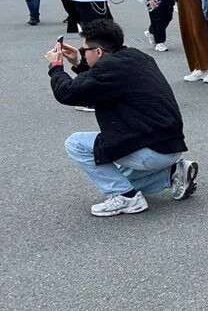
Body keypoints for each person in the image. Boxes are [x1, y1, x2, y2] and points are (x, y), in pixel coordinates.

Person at [46, 19, 199, 217]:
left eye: (85, 51)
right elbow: (98, 85)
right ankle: (172, 174)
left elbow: (67, 93)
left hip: (149, 149)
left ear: (99, 52)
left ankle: (126, 197)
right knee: (123, 178)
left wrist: (56, 66)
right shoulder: (137, 57)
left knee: (75, 143)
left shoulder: (108, 70)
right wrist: (78, 61)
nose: (83, 53)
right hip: (170, 146)